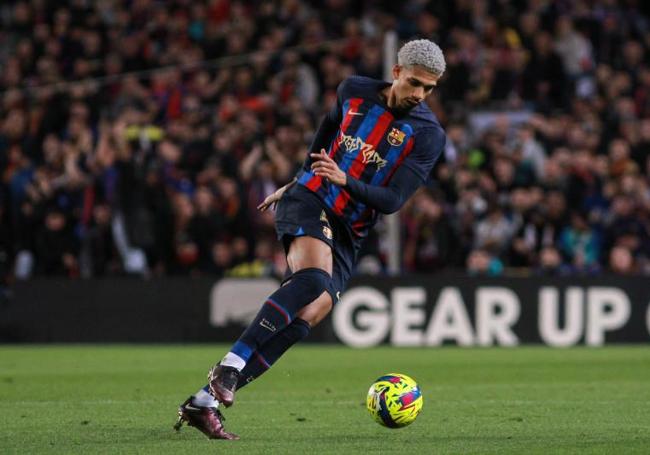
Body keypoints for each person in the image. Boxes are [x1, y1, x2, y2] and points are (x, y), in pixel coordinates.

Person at [174, 39, 447, 440]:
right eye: (414, 83)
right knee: (314, 280)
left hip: (350, 230)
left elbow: (391, 201)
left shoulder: (427, 135)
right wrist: (299, 178)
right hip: (310, 198)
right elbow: (325, 133)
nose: (419, 94)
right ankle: (228, 368)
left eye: (429, 88)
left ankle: (203, 402)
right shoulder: (353, 90)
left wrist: (346, 180)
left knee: (312, 312)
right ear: (396, 73)